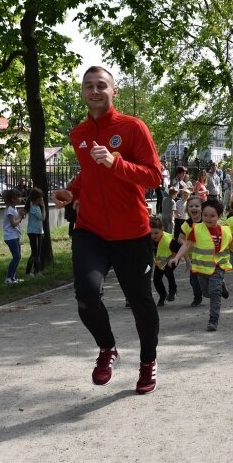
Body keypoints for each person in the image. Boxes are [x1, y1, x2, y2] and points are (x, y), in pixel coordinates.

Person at [52, 65, 161, 394]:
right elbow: (89, 175)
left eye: (102, 85)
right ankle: (107, 347)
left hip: (132, 232)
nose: (95, 91)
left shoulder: (132, 127)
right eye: (89, 86)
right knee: (86, 294)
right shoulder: (79, 134)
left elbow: (153, 176)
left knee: (140, 300)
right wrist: (72, 192)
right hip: (91, 230)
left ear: (114, 92)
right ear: (83, 92)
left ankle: (147, 362)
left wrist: (117, 163)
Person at [170, 199, 233, 331]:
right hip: (202, 268)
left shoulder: (224, 230)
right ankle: (221, 286)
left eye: (212, 216)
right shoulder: (197, 229)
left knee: (214, 293)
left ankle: (213, 320)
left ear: (219, 217)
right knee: (206, 292)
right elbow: (187, 244)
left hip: (218, 267)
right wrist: (177, 258)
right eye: (205, 215)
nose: (208, 218)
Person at [150, 216, 179, 306]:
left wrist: (174, 259)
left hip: (172, 259)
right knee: (156, 279)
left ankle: (173, 290)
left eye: (156, 233)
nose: (153, 236)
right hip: (161, 262)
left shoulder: (168, 240)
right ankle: (162, 295)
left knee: (168, 271)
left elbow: (180, 250)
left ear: (162, 229)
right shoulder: (150, 240)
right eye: (151, 234)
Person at [2, 189, 25, 284]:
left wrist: (20, 216)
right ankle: (8, 278)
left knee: (18, 257)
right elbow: (13, 224)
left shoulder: (13, 208)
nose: (21, 198)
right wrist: (20, 217)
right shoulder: (10, 210)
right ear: (12, 199)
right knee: (16, 256)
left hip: (15, 235)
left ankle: (13, 277)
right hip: (10, 237)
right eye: (18, 197)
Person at [25, 187, 46, 277]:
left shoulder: (36, 207)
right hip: (33, 232)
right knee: (34, 253)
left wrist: (42, 231)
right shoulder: (34, 208)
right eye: (41, 197)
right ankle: (28, 272)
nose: (42, 199)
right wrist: (44, 206)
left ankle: (37, 272)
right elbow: (42, 218)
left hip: (38, 232)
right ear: (38, 198)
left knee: (38, 253)